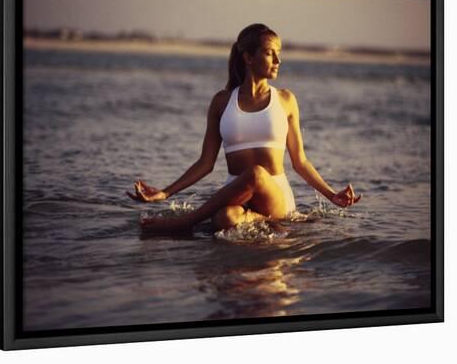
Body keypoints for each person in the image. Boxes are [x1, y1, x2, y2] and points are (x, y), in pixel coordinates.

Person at [126, 23, 361, 233]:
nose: (278, 61)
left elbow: (300, 162)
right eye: (270, 54)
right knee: (224, 219)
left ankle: (184, 222)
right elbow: (205, 164)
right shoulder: (221, 102)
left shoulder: (286, 100)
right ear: (248, 58)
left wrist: (331, 195)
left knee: (257, 173)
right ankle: (261, 222)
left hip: (275, 196)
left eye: (279, 54)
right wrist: (165, 193)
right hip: (236, 196)